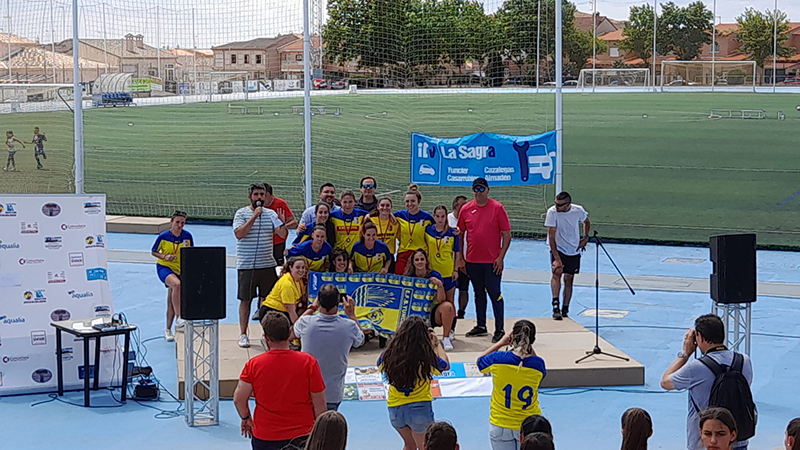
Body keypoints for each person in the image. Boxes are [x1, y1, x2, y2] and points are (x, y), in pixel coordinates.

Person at [233, 312, 326, 450]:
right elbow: (320, 403)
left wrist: (246, 417)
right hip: (302, 435)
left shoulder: (254, 365)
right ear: (289, 332)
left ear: (266, 337)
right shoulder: (308, 362)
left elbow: (239, 399)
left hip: (265, 436)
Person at [661, 314, 753, 450]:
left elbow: (665, 382)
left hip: (707, 443)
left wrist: (685, 353)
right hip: (737, 439)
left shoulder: (696, 367)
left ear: (700, 337)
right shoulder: (744, 361)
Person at [379, 315, 450, 450]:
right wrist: (436, 344)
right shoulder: (425, 356)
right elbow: (445, 365)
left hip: (395, 409)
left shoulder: (390, 355)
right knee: (425, 447)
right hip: (419, 409)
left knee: (409, 445)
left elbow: (379, 365)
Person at [457, 177, 511, 343]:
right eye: (476, 189)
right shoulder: (466, 209)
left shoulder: (497, 208)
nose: (478, 193)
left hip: (492, 261)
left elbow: (507, 234)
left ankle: (499, 328)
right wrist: (460, 257)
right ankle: (481, 325)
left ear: (488, 190)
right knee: (478, 293)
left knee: (495, 293)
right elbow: (460, 233)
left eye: (482, 189)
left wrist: (500, 257)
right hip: (472, 260)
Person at [478, 320, 546, 450]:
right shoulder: (537, 365)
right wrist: (529, 347)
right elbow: (541, 373)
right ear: (533, 340)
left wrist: (501, 342)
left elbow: (480, 361)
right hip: (528, 424)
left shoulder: (498, 359)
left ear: (512, 338)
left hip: (501, 422)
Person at [234, 183, 288, 348]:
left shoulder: (271, 214)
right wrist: (254, 217)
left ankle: (267, 334)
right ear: (250, 196)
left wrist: (282, 224)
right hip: (247, 264)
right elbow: (239, 234)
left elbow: (283, 234)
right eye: (256, 194)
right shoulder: (241, 213)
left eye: (262, 195)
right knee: (246, 300)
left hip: (267, 263)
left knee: (268, 301)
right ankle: (243, 334)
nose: (259, 198)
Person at [295, 284, 365, 411]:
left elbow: (296, 327)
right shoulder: (350, 326)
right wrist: (352, 315)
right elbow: (360, 340)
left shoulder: (306, 323)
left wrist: (312, 307)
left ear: (319, 302)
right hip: (333, 393)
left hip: (307, 392)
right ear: (338, 303)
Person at [544, 191, 590, 320]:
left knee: (569, 278)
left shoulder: (578, 210)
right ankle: (555, 305)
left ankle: (565, 308)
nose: (557, 207)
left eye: (560, 205)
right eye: (556, 204)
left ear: (568, 204)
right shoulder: (552, 213)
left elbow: (586, 221)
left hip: (573, 248)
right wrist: (557, 258)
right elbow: (551, 237)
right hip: (558, 248)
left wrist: (585, 238)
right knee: (557, 272)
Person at [150, 210, 193, 342]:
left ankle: (168, 329)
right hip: (165, 267)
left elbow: (191, 253)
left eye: (182, 223)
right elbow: (154, 251)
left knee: (171, 298)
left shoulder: (187, 236)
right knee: (176, 284)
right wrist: (165, 256)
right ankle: (180, 317)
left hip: (180, 269)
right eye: (177, 222)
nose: (180, 225)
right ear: (171, 222)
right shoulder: (163, 236)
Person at [404, 249, 452, 350]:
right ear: (413, 262)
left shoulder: (435, 275)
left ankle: (446, 338)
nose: (419, 262)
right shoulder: (408, 277)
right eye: (417, 260)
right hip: (414, 312)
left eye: (422, 259)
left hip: (432, 312)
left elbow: (441, 300)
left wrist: (440, 285)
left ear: (426, 261)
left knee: (448, 306)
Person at [425, 205, 461, 339]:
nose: (440, 219)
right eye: (438, 216)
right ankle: (430, 329)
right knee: (433, 301)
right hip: (433, 272)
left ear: (447, 217)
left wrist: (456, 269)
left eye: (443, 216)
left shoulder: (452, 232)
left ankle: (451, 330)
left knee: (450, 303)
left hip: (448, 271)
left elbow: (457, 253)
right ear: (433, 216)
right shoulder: (428, 230)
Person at [394, 185, 434, 275]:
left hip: (420, 254)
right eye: (407, 201)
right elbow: (384, 216)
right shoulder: (399, 215)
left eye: (413, 201)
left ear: (418, 201)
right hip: (403, 254)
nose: (410, 204)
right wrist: (369, 216)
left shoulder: (427, 217)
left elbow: (439, 228)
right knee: (400, 280)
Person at [261, 257, 308, 325]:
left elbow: (303, 298)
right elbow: (290, 310)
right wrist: (297, 328)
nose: (301, 270)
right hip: (272, 312)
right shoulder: (287, 284)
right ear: (291, 267)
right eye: (298, 267)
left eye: (303, 267)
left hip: (285, 311)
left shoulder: (299, 280)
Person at [261, 182, 297, 265]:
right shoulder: (258, 206)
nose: (262, 198)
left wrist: (279, 228)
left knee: (278, 265)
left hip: (278, 241)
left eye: (264, 195)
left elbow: (293, 222)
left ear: (271, 195)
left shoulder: (280, 204)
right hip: (264, 242)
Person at [448, 195, 469, 319]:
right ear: (455, 206)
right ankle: (450, 313)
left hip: (465, 261)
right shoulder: (448, 220)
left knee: (464, 289)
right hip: (448, 261)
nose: (466, 208)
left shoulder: (469, 219)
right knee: (450, 290)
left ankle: (461, 314)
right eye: (463, 205)